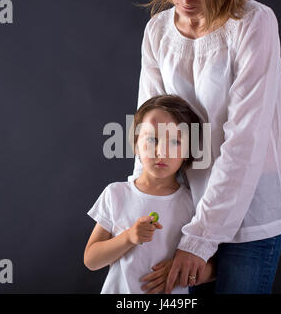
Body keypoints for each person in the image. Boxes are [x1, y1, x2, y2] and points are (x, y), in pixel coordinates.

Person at [131, 0, 281, 294]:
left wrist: (200, 238)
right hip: (185, 212)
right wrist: (139, 205)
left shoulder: (254, 22)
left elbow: (245, 139)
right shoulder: (157, 31)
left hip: (248, 214)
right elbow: (149, 133)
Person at [84, 95, 215, 294]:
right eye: (152, 139)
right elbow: (91, 260)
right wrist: (128, 237)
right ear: (136, 143)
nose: (161, 151)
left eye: (175, 142)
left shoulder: (194, 203)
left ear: (188, 151)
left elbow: (214, 268)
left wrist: (179, 270)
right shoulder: (116, 194)